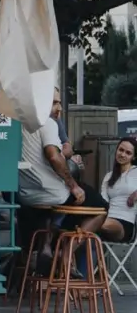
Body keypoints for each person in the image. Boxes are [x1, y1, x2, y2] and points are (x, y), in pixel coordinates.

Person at [18, 88, 106, 266]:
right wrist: (72, 185)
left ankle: (48, 243)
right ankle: (66, 252)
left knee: (56, 214)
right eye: (54, 102)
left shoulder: (19, 125)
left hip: (25, 197)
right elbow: (53, 155)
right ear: (40, 103)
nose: (59, 107)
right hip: (52, 195)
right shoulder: (47, 123)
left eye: (59, 102)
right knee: (101, 207)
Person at [100, 137, 137, 244]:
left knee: (94, 223)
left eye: (128, 153)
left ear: (133, 157)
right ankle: (67, 257)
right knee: (87, 234)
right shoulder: (109, 176)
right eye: (121, 150)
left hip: (125, 224)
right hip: (107, 218)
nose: (122, 154)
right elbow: (103, 201)